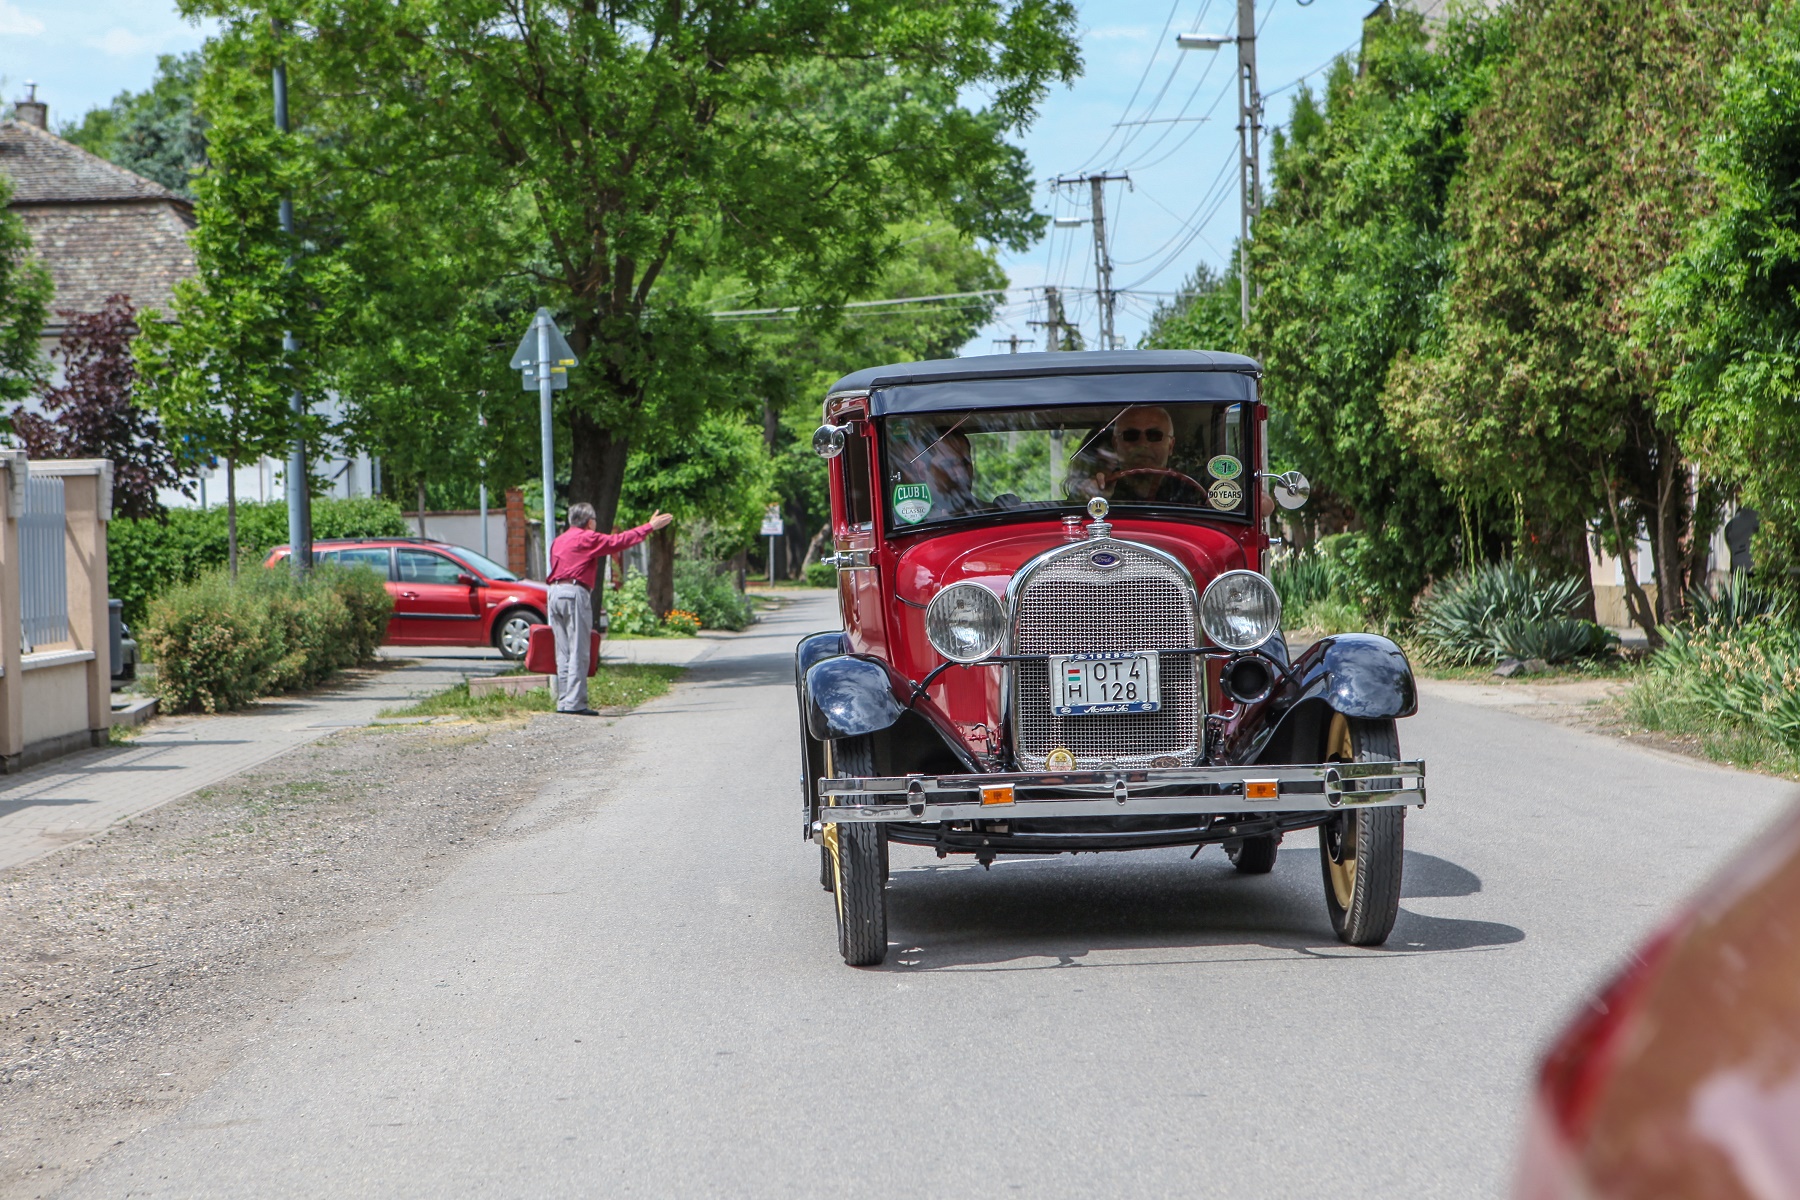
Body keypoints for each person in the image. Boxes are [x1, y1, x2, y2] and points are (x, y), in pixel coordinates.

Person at [547, 502, 673, 715]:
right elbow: (618, 541)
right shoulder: (587, 537)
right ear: (589, 521)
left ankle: (564, 701)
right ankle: (575, 703)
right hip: (574, 593)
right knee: (579, 649)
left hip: (554, 593)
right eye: (594, 519)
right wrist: (649, 527)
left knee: (563, 651)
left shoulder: (558, 541)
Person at [1089, 406, 1203, 503]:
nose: (1143, 444)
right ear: (1115, 444)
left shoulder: (1190, 491)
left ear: (1170, 446)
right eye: (1131, 435)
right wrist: (1098, 498)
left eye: (1154, 435)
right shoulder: (1104, 487)